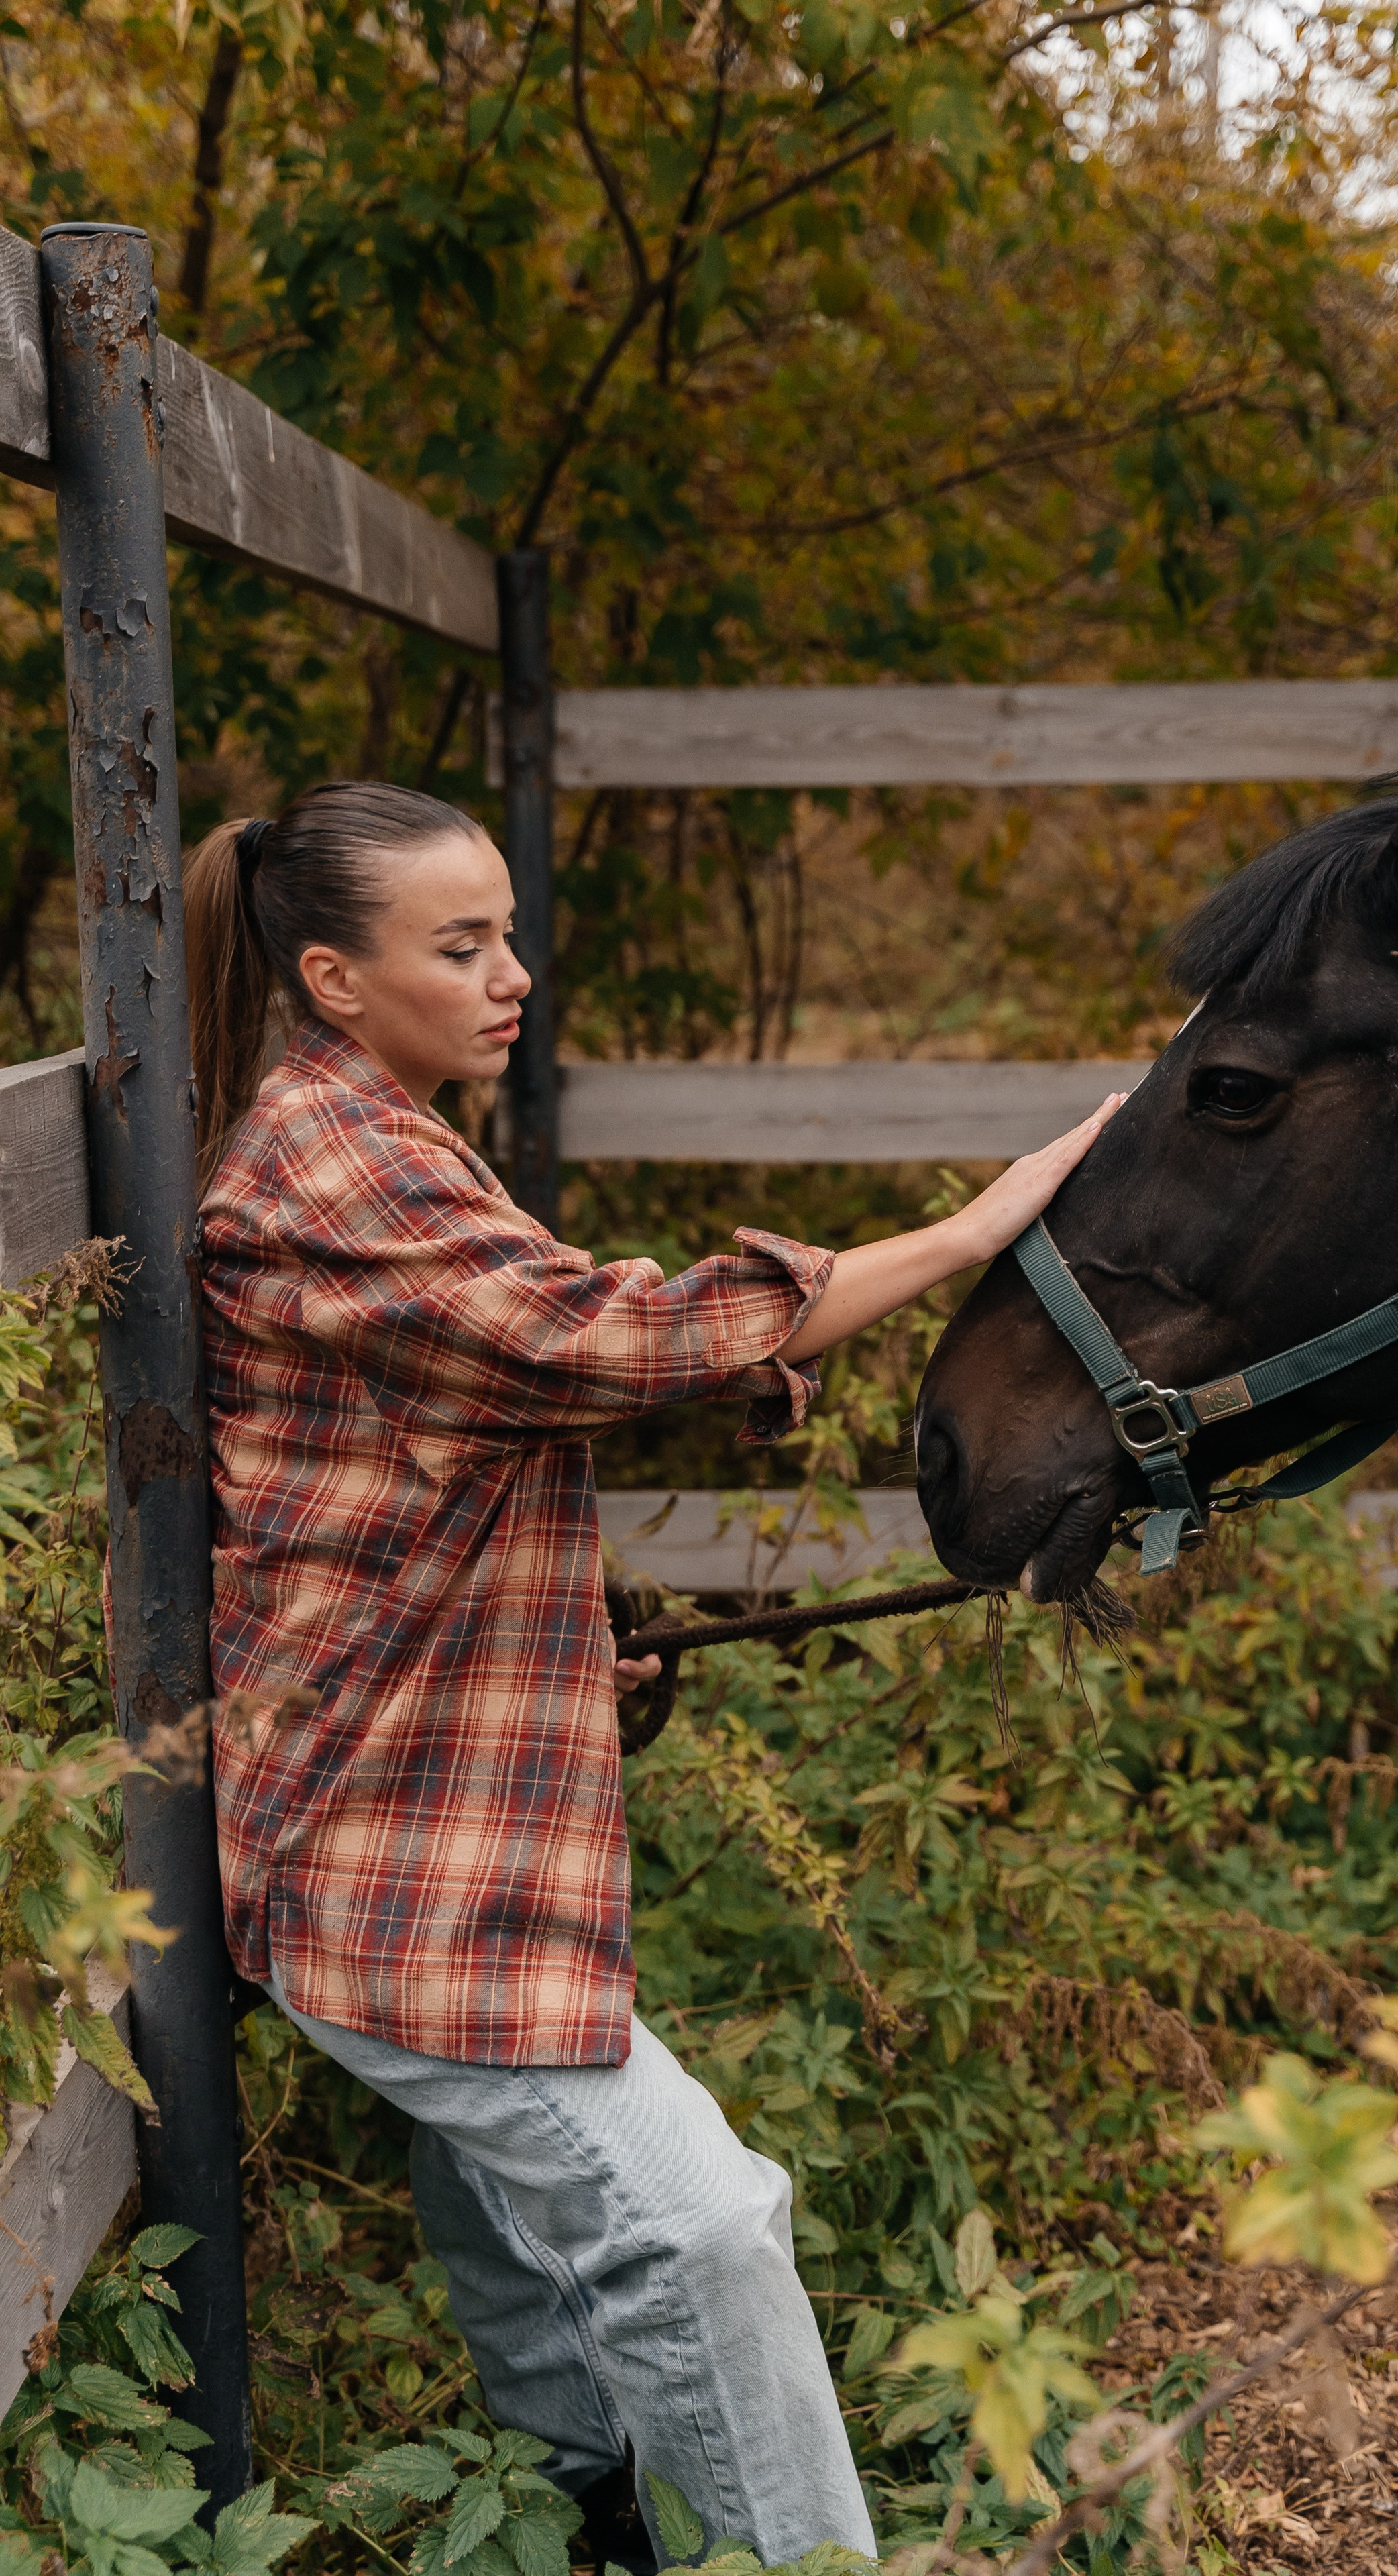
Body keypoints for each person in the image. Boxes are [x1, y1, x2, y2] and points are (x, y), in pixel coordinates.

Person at [185, 780, 1122, 2567]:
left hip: (429, 1810)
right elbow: (601, 1333)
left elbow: (524, 1367)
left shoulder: (371, 1125)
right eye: (459, 947)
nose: (511, 976)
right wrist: (966, 1234)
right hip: (387, 1855)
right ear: (329, 974)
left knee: (520, 2205)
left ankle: (587, 2510)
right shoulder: (333, 1165)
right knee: (693, 2226)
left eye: (509, 933)